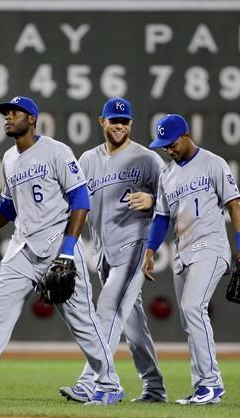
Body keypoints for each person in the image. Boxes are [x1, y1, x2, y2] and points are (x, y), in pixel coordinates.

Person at [0, 96, 124, 406]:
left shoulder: (56, 151)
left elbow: (81, 200)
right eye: (6, 114)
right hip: (21, 248)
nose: (8, 118)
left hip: (58, 246)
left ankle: (109, 384)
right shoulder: (9, 159)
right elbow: (8, 206)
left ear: (32, 119)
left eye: (15, 113)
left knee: (83, 321)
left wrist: (67, 252)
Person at [59, 98, 167, 404]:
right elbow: (74, 202)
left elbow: (177, 200)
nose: (119, 125)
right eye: (113, 120)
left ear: (131, 124)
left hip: (133, 247)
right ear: (101, 122)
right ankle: (155, 388)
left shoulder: (147, 160)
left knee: (106, 309)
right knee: (132, 325)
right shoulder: (87, 160)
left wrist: (154, 201)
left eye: (125, 121)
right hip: (103, 253)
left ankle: (93, 381)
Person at [142, 114, 240, 405]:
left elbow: (235, 206)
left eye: (172, 142)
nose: (168, 149)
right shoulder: (167, 174)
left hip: (211, 247)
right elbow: (162, 218)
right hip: (183, 253)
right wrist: (150, 251)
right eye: (163, 145)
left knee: (193, 307)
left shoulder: (213, 163)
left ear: (186, 135)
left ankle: (212, 384)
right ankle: (203, 387)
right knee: (189, 319)